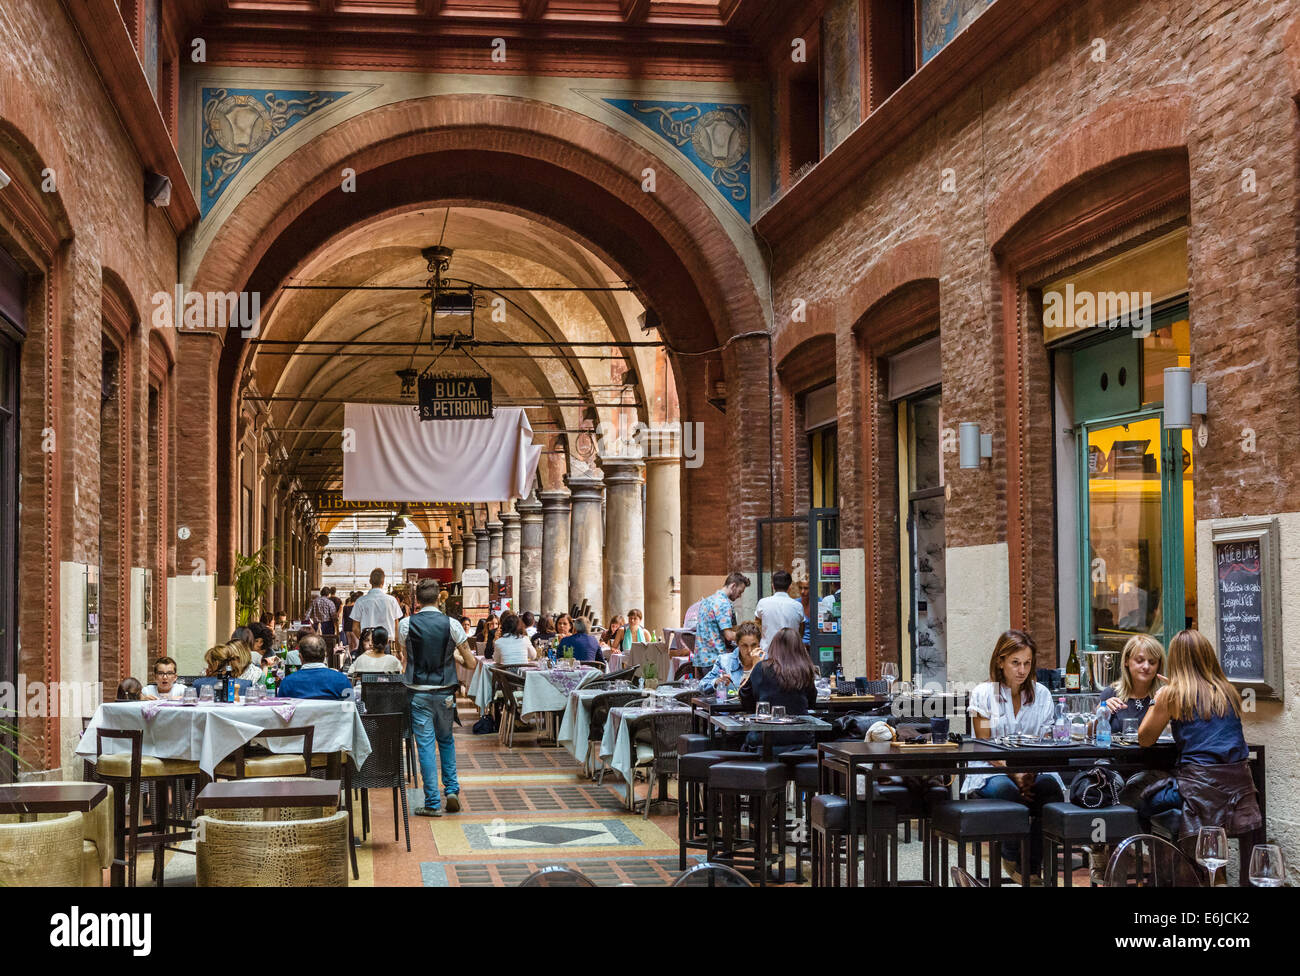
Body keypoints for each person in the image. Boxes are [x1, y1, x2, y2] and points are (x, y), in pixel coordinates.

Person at [1135, 629, 1261, 846]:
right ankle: (1214, 872)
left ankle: (1171, 871)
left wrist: (1158, 698)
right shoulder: (1228, 691)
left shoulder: (1173, 693)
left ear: (1175, 660)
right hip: (1240, 790)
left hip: (1198, 790)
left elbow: (1144, 738)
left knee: (1141, 801)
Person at [965, 630, 1064, 883]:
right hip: (990, 768)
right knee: (1006, 790)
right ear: (1001, 661)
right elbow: (984, 744)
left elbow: (1046, 742)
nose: (1022, 670)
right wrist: (1015, 775)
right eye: (1015, 663)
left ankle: (1031, 868)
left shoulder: (1041, 694)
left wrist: (1029, 774)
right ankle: (1011, 856)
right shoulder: (983, 693)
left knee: (1050, 788)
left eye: (1027, 663)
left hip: (1034, 768)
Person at [400, 578, 474, 818]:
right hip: (445, 692)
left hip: (418, 692)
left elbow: (406, 659)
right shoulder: (453, 624)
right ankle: (451, 791)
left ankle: (432, 802)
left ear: (417, 600)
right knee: (446, 740)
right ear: (438, 598)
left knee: (425, 747)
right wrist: (453, 654)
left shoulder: (405, 624)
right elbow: (471, 663)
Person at [738, 627, 817, 753]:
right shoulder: (805, 670)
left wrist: (754, 666)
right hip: (801, 740)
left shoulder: (762, 668)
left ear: (773, 647)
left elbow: (745, 698)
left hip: (764, 738)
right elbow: (812, 702)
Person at [1098, 633, 1166, 734]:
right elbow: (1090, 733)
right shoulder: (1111, 693)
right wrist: (1101, 713)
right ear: (1126, 661)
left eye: (1152, 662)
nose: (1146, 666)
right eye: (1140, 661)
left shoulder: (1163, 695)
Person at [693, 572, 749, 669]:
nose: (739, 596)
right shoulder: (723, 603)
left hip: (702, 658)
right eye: (740, 592)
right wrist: (749, 637)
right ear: (733, 586)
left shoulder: (707, 600)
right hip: (715, 659)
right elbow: (729, 635)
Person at [278, 634, 354, 700]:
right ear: (325, 655)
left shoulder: (287, 683)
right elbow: (350, 711)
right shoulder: (342, 680)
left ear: (300, 657)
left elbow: (281, 712)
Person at [755, 571, 806, 654]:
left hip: (767, 653)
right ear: (790, 587)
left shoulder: (763, 603)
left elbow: (757, 626)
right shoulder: (797, 606)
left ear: (773, 586)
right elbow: (801, 630)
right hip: (791, 654)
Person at [351, 569, 402, 651]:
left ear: (370, 581)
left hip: (367, 645)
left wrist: (365, 640)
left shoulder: (360, 601)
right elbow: (396, 627)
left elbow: (355, 627)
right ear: (383, 582)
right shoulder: (392, 601)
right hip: (385, 643)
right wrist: (398, 648)